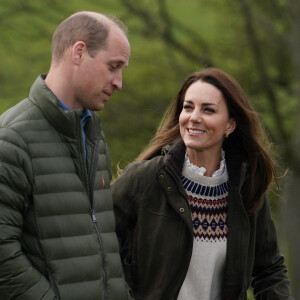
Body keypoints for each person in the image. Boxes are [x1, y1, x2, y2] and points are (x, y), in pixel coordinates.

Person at [112, 68, 293, 300]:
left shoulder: (246, 189)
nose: (194, 117)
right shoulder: (144, 179)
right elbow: (97, 242)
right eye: (188, 107)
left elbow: (270, 271)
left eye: (208, 110)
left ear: (230, 125)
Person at [0, 11, 130, 300]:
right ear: (80, 53)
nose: (119, 82)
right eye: (113, 66)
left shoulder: (93, 134)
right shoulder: (11, 138)